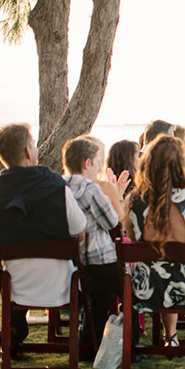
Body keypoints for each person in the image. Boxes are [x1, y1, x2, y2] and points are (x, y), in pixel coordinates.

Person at [0, 123, 87, 352]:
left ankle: (15, 329)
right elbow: (79, 227)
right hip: (60, 287)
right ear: (28, 151)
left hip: (16, 288)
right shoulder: (55, 185)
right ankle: (89, 340)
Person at [123, 135, 185, 348]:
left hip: (145, 286)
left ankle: (170, 335)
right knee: (175, 268)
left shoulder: (132, 200)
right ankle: (170, 336)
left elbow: (134, 239)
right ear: (179, 165)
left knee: (161, 268)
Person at [62, 136, 127, 354]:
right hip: (101, 257)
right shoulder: (91, 189)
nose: (99, 167)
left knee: (97, 300)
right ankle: (130, 345)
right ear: (87, 163)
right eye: (97, 163)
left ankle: (88, 343)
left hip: (75, 259)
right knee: (128, 294)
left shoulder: (60, 188)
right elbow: (112, 221)